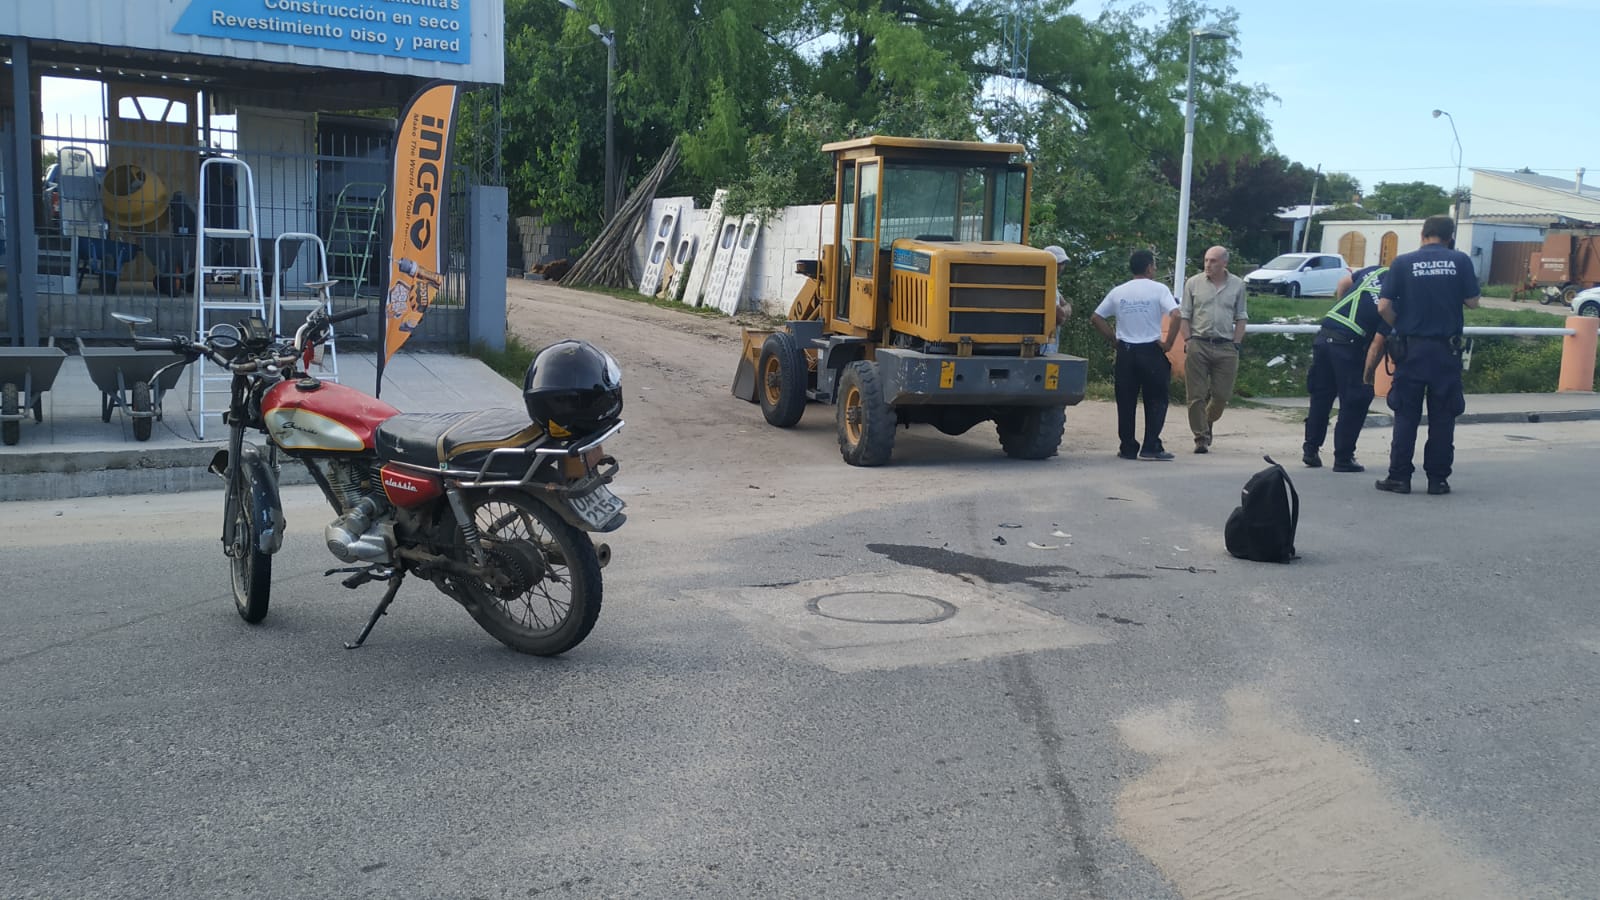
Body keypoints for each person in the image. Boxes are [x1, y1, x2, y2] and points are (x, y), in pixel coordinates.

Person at [1374, 215, 1480, 496]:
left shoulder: (1402, 262)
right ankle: (1438, 480)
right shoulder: (1460, 260)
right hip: (1446, 351)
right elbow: (1473, 302)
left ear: (1422, 234)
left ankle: (1399, 477)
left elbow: (1383, 307)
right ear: (1450, 237)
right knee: (1443, 417)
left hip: (1411, 351)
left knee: (1406, 415)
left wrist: (1402, 325)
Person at [1091, 249, 1181, 460]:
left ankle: (1128, 447)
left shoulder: (1119, 291)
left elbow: (1096, 317)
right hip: (1151, 350)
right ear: (1149, 268)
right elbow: (1177, 315)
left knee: (1126, 401)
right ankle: (1151, 445)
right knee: (1156, 399)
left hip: (1126, 352)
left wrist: (1114, 339)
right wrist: (1168, 343)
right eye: (1154, 266)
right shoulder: (1159, 289)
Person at [1301, 264, 1390, 472]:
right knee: (1356, 399)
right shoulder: (1399, 298)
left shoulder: (1377, 271)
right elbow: (1377, 345)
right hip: (1349, 344)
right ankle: (1343, 457)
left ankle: (1310, 450)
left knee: (1321, 396)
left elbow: (1343, 282)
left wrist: (1341, 305)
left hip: (1326, 332)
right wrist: (1368, 377)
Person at [1180, 246, 1248, 454]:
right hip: (1199, 342)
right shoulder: (1193, 283)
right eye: (1206, 260)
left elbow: (1241, 316)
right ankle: (1200, 437)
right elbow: (1185, 315)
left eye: (1213, 261)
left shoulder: (1237, 285)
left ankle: (1207, 421)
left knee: (1221, 395)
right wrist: (1188, 340)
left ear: (1224, 263)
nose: (1208, 264)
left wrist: (1236, 343)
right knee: (1196, 395)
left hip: (1226, 345)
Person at [1043, 245, 1073, 354]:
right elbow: (1059, 317)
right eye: (1058, 263)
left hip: (1050, 344)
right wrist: (1064, 310)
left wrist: (1065, 308)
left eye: (1063, 263)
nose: (1061, 267)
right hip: (1043, 345)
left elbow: (1065, 305)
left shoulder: (1053, 283)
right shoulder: (1044, 283)